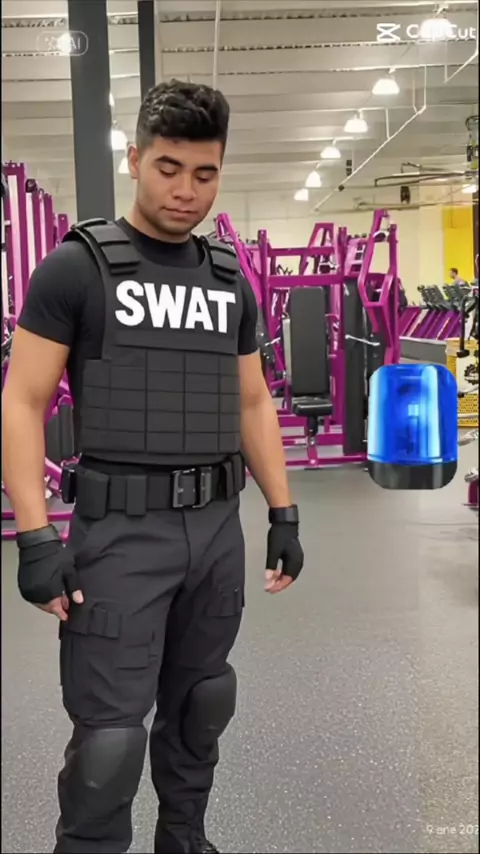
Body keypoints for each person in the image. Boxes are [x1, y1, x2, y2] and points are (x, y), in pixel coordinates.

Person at [2, 80, 304, 854]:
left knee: (203, 703)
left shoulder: (229, 278)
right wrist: (35, 537)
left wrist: (283, 512)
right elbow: (23, 401)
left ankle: (185, 839)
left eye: (205, 173)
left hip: (216, 529)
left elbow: (252, 401)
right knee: (109, 742)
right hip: (120, 533)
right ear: (135, 159)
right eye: (169, 168)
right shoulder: (77, 269)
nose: (185, 190)